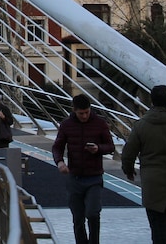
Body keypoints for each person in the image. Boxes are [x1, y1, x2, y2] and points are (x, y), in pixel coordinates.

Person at [121, 84, 166, 244]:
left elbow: (128, 153)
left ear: (152, 101)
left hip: (152, 183)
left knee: (157, 225)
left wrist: (129, 170)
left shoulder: (141, 126)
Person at [51, 94, 115, 244]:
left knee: (93, 214)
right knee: (78, 218)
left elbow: (110, 146)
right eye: (81, 113)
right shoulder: (67, 125)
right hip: (75, 177)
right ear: (74, 111)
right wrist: (59, 162)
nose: (84, 116)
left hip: (94, 177)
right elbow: (57, 147)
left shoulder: (100, 123)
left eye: (87, 112)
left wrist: (98, 148)